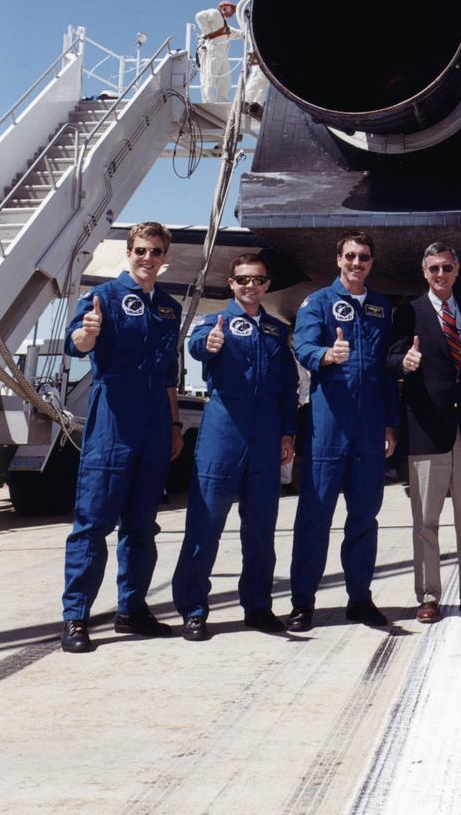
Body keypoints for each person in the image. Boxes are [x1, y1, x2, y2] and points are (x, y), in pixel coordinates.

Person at [60, 222, 183, 653]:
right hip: (113, 420)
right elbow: (75, 344)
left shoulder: (169, 308)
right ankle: (76, 617)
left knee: (141, 526)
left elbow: (170, 373)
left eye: (156, 251)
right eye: (141, 250)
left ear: (165, 257)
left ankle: (132, 610)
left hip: (153, 426)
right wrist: (89, 332)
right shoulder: (104, 298)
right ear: (128, 253)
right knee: (93, 522)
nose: (148, 258)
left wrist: (172, 425)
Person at [172, 253, 298, 640]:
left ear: (266, 284)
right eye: (243, 279)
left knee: (260, 527)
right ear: (232, 284)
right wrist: (208, 344)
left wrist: (287, 433)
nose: (250, 286)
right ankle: (194, 609)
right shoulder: (215, 323)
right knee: (205, 524)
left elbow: (288, 388)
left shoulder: (277, 331)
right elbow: (196, 346)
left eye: (257, 280)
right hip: (223, 434)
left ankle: (258, 605)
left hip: (265, 437)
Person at [287, 232, 398, 631]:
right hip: (328, 428)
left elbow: (385, 371)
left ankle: (360, 598)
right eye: (350, 256)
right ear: (339, 259)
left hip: (369, 429)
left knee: (365, 518)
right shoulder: (317, 303)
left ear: (371, 262)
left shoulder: (382, 309)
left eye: (364, 257)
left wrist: (389, 424)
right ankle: (302, 602)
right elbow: (301, 346)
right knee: (315, 518)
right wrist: (326, 356)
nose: (356, 263)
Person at [387, 242, 461, 622]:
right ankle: (428, 595)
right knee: (426, 522)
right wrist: (406, 361)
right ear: (424, 272)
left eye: (446, 267)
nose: (440, 275)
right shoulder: (408, 314)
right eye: (433, 269)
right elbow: (392, 358)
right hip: (427, 431)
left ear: (457, 269)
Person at [195, 0, 241, 103]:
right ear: (224, 7)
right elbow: (200, 16)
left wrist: (246, 33)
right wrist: (207, 32)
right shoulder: (215, 13)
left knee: (225, 81)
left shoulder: (224, 25)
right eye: (231, 8)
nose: (232, 12)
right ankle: (209, 102)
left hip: (222, 55)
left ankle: (222, 102)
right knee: (210, 78)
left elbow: (236, 33)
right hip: (213, 51)